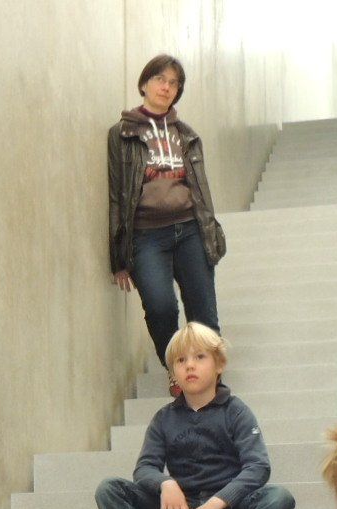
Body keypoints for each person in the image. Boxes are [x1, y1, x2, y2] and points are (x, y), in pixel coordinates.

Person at [95, 323, 295, 509]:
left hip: (227, 507)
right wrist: (166, 484)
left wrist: (217, 502)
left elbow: (258, 467)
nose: (190, 365)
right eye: (181, 360)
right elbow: (144, 469)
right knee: (110, 489)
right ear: (173, 372)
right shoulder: (163, 418)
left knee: (279, 498)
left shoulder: (236, 411)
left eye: (199, 357)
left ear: (219, 364)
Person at [108, 53, 226, 372]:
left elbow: (201, 191)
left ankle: (210, 381)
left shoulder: (187, 135)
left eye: (174, 83)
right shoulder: (122, 134)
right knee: (161, 308)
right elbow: (117, 196)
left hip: (190, 230)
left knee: (204, 314)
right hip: (146, 236)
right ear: (144, 84)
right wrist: (118, 258)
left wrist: (210, 235)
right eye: (160, 79)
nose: (166, 87)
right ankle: (177, 372)